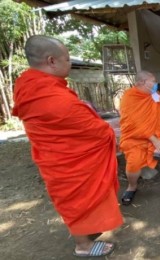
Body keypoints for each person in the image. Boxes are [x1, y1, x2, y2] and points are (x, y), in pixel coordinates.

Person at [12, 35, 123, 257]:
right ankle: (83, 246)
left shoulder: (27, 84)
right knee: (77, 200)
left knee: (76, 200)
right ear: (51, 61)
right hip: (69, 163)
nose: (70, 63)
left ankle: (87, 232)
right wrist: (111, 129)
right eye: (68, 58)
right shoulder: (52, 97)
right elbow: (97, 132)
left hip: (54, 156)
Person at [119, 71, 160, 205]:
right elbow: (133, 123)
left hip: (157, 131)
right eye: (153, 81)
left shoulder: (155, 95)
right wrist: (154, 140)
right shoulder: (129, 97)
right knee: (134, 162)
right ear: (142, 82)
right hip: (136, 136)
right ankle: (132, 186)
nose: (156, 84)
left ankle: (157, 152)